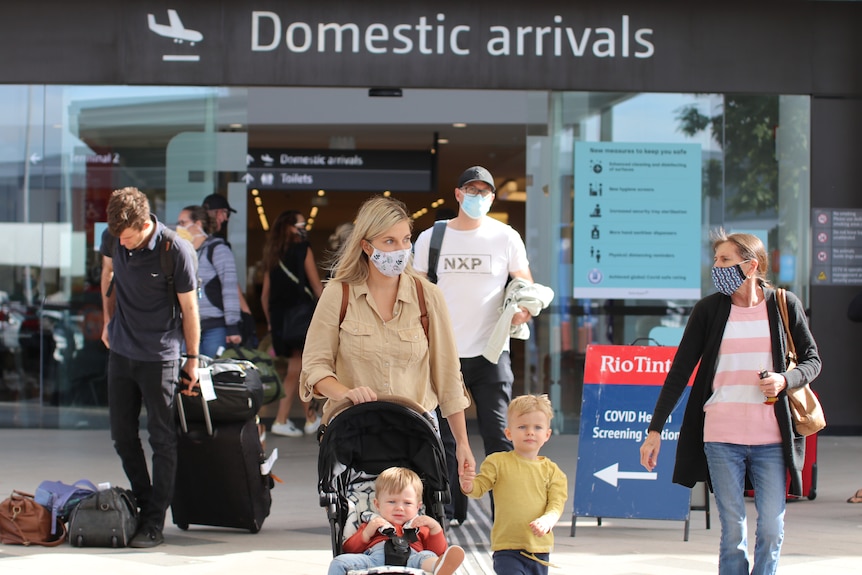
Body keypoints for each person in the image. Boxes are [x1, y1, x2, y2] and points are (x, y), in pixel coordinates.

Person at [639, 229, 822, 575]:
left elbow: (813, 360)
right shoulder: (709, 310)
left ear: (751, 266)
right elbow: (679, 372)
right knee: (733, 530)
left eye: (725, 260)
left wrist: (785, 379)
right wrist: (655, 429)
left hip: (771, 437)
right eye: (716, 259)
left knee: (771, 528)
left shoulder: (784, 304)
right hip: (721, 437)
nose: (717, 266)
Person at [300, 195, 476, 477]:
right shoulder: (338, 294)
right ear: (367, 246)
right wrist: (347, 393)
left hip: (416, 439)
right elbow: (314, 369)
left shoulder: (427, 296)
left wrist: (463, 445)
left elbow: (448, 379)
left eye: (406, 239)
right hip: (353, 437)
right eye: (390, 241)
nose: (401, 249)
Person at [413, 165, 532, 526]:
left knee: (498, 434)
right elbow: (415, 288)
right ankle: (450, 512)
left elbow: (524, 281)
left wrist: (524, 308)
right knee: (445, 437)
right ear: (458, 194)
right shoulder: (432, 238)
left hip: (490, 351)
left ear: (492, 198)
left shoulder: (505, 236)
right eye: (471, 190)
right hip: (443, 353)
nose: (477, 197)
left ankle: (505, 514)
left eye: (484, 192)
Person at [100, 187, 200, 548]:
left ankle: (154, 522)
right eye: (117, 238)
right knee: (122, 436)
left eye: (128, 237)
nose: (122, 245)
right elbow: (107, 274)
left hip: (161, 357)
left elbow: (190, 310)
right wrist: (107, 321)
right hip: (122, 352)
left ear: (145, 224)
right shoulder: (113, 239)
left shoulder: (176, 250)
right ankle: (144, 504)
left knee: (162, 439)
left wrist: (192, 359)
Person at [459, 394, 568, 575]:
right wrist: (468, 485)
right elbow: (480, 488)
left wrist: (548, 520)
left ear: (547, 434)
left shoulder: (553, 472)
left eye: (537, 427)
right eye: (522, 426)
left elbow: (556, 504)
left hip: (539, 549)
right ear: (509, 433)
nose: (530, 432)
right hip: (507, 547)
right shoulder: (497, 462)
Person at [328, 467, 465, 575]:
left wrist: (435, 528)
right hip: (375, 560)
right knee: (339, 562)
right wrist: (366, 534)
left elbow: (438, 550)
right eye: (392, 502)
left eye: (407, 503)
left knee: (427, 556)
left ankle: (439, 567)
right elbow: (349, 549)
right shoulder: (372, 523)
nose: (399, 508)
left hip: (412, 559)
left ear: (418, 506)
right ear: (377, 505)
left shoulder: (419, 525)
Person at [262, 210, 324, 437]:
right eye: (300, 223)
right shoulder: (302, 249)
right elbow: (316, 286)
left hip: (281, 321)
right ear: (289, 226)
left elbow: (264, 296)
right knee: (297, 369)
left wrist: (270, 323)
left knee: (297, 368)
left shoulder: (272, 254)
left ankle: (309, 418)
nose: (303, 226)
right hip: (301, 319)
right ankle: (283, 419)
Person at [176, 205, 242, 358]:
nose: (179, 228)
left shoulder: (218, 249)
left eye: (183, 223)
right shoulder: (183, 253)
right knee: (187, 375)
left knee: (212, 374)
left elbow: (229, 288)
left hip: (215, 327)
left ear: (198, 224)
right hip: (187, 325)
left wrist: (233, 327)